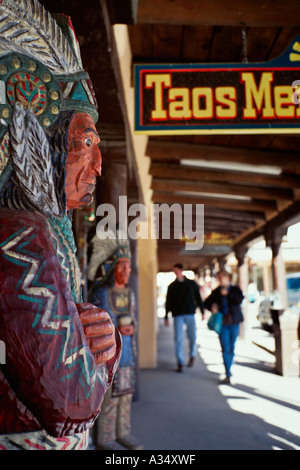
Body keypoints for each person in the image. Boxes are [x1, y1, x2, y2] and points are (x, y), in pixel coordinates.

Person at [0, 2, 121, 450]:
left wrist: (95, 333)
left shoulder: (41, 232)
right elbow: (71, 400)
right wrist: (107, 360)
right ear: (40, 140)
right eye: (85, 142)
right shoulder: (21, 238)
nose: (97, 167)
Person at [88, 235, 142, 450]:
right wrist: (117, 328)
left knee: (125, 395)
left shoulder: (129, 294)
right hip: (110, 357)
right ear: (112, 269)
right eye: (124, 266)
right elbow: (98, 321)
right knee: (109, 397)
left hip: (128, 353)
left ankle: (124, 432)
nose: (128, 270)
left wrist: (132, 327)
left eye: (129, 266)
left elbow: (134, 318)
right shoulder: (102, 292)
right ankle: (105, 437)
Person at [204, 270, 244, 384]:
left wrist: (228, 294)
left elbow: (240, 299)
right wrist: (213, 307)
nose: (221, 279)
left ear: (228, 277)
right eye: (219, 278)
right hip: (222, 324)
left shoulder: (235, 289)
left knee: (232, 347)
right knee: (225, 348)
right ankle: (228, 372)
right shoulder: (216, 291)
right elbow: (206, 303)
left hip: (234, 322)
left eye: (223, 277)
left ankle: (229, 366)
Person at [165, 263, 205, 372]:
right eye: (174, 271)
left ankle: (192, 355)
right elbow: (168, 302)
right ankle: (180, 362)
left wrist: (202, 311)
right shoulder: (172, 286)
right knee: (178, 339)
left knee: (192, 337)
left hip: (190, 314)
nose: (176, 272)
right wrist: (166, 317)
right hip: (177, 315)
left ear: (181, 270)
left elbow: (198, 297)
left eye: (177, 270)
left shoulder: (191, 284)